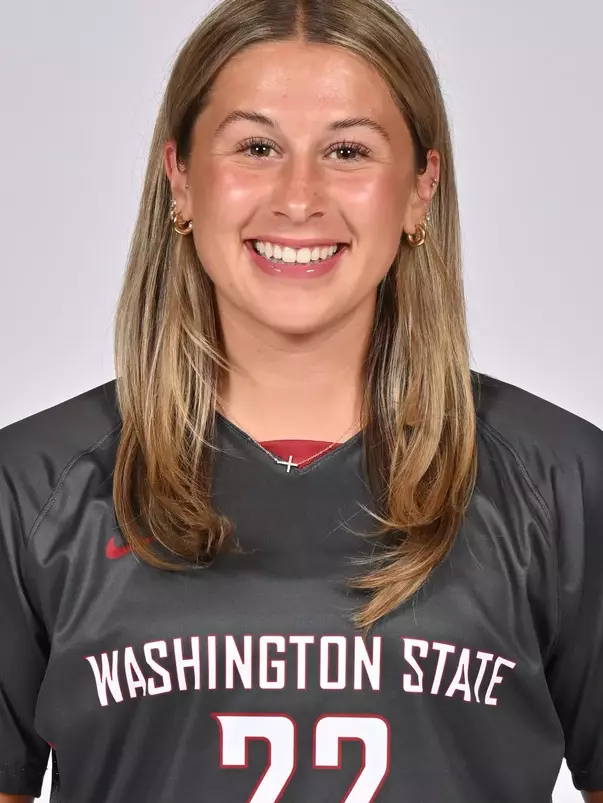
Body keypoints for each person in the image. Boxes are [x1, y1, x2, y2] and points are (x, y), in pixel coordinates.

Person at [1, 0, 602, 801]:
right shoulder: (34, 489)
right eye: (256, 146)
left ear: (421, 189)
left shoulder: (561, 483)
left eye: (347, 150)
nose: (298, 197)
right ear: (179, 177)